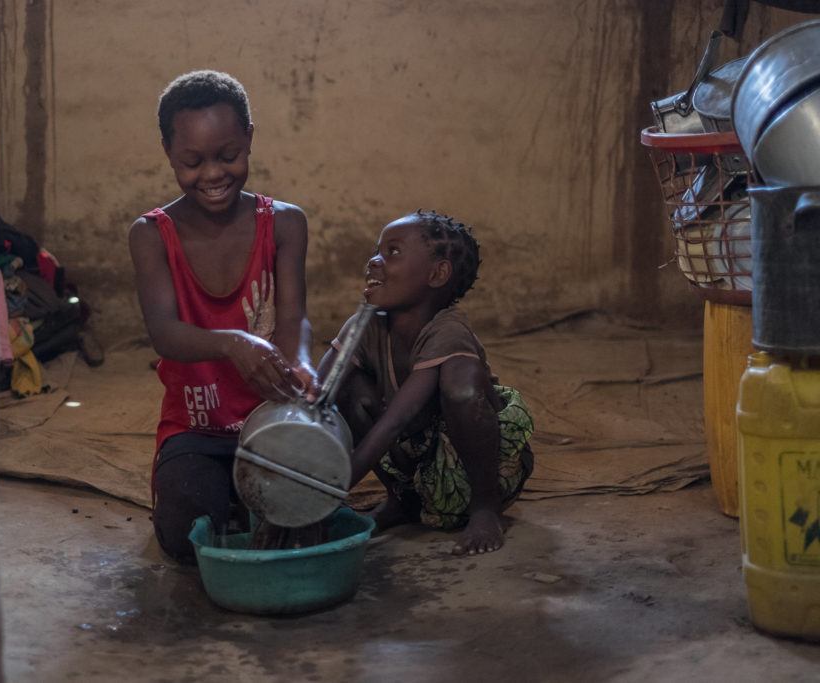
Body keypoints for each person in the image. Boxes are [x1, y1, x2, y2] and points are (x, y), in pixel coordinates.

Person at [129, 70, 315, 563]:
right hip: (197, 429)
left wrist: (302, 365)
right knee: (184, 538)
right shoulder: (152, 234)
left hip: (273, 419)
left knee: (307, 525)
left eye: (228, 155)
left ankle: (243, 494)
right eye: (192, 161)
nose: (212, 174)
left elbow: (295, 318)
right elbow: (165, 333)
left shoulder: (285, 224)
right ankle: (226, 492)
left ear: (250, 137)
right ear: (168, 152)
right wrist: (234, 342)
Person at [321, 210, 534, 555]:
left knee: (461, 384)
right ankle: (402, 499)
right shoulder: (364, 325)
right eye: (377, 250)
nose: (373, 261)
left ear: (437, 274)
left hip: (476, 471)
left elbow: (395, 423)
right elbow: (318, 394)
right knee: (348, 387)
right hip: (416, 466)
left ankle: (485, 508)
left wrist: (327, 494)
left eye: (392, 252)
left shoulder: (448, 330)